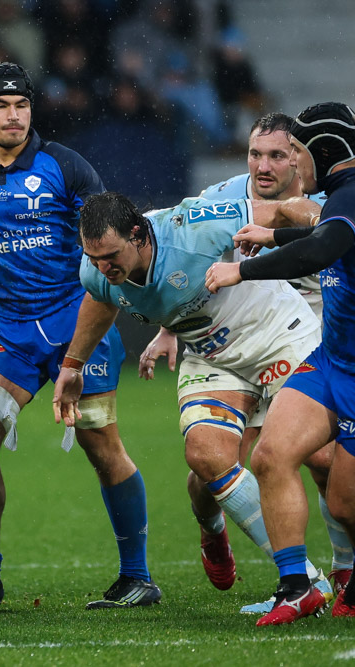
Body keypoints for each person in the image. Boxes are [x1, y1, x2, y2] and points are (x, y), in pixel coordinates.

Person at [0, 62, 157, 613]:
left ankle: (137, 577)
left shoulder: (65, 167)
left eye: (22, 105)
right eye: (2, 105)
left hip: (77, 319)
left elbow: (112, 236)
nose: (14, 115)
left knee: (100, 441)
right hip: (7, 327)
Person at [52, 190, 327, 623]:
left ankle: (345, 575)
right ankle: (305, 581)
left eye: (110, 255)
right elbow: (102, 299)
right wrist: (72, 364)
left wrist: (330, 224)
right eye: (93, 257)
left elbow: (280, 210)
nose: (102, 266)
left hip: (278, 336)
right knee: (206, 456)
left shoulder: (192, 228)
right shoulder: (98, 269)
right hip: (210, 355)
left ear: (138, 233)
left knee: (324, 457)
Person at [141, 112, 350, 613]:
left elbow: (320, 234)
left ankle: (340, 574)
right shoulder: (225, 198)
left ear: (302, 157)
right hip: (229, 344)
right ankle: (213, 529)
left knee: (322, 459)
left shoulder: (327, 198)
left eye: (278, 155)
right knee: (220, 466)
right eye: (256, 154)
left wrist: (282, 220)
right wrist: (168, 329)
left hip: (307, 334)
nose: (263, 165)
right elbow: (184, 260)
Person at [205, 102, 355, 625]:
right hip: (331, 361)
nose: (287, 162)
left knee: (343, 503)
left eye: (292, 151)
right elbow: (325, 237)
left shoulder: (347, 196)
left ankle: (347, 579)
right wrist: (274, 235)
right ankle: (298, 587)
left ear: (318, 152)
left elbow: (324, 248)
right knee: (269, 455)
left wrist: (244, 271)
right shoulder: (339, 198)